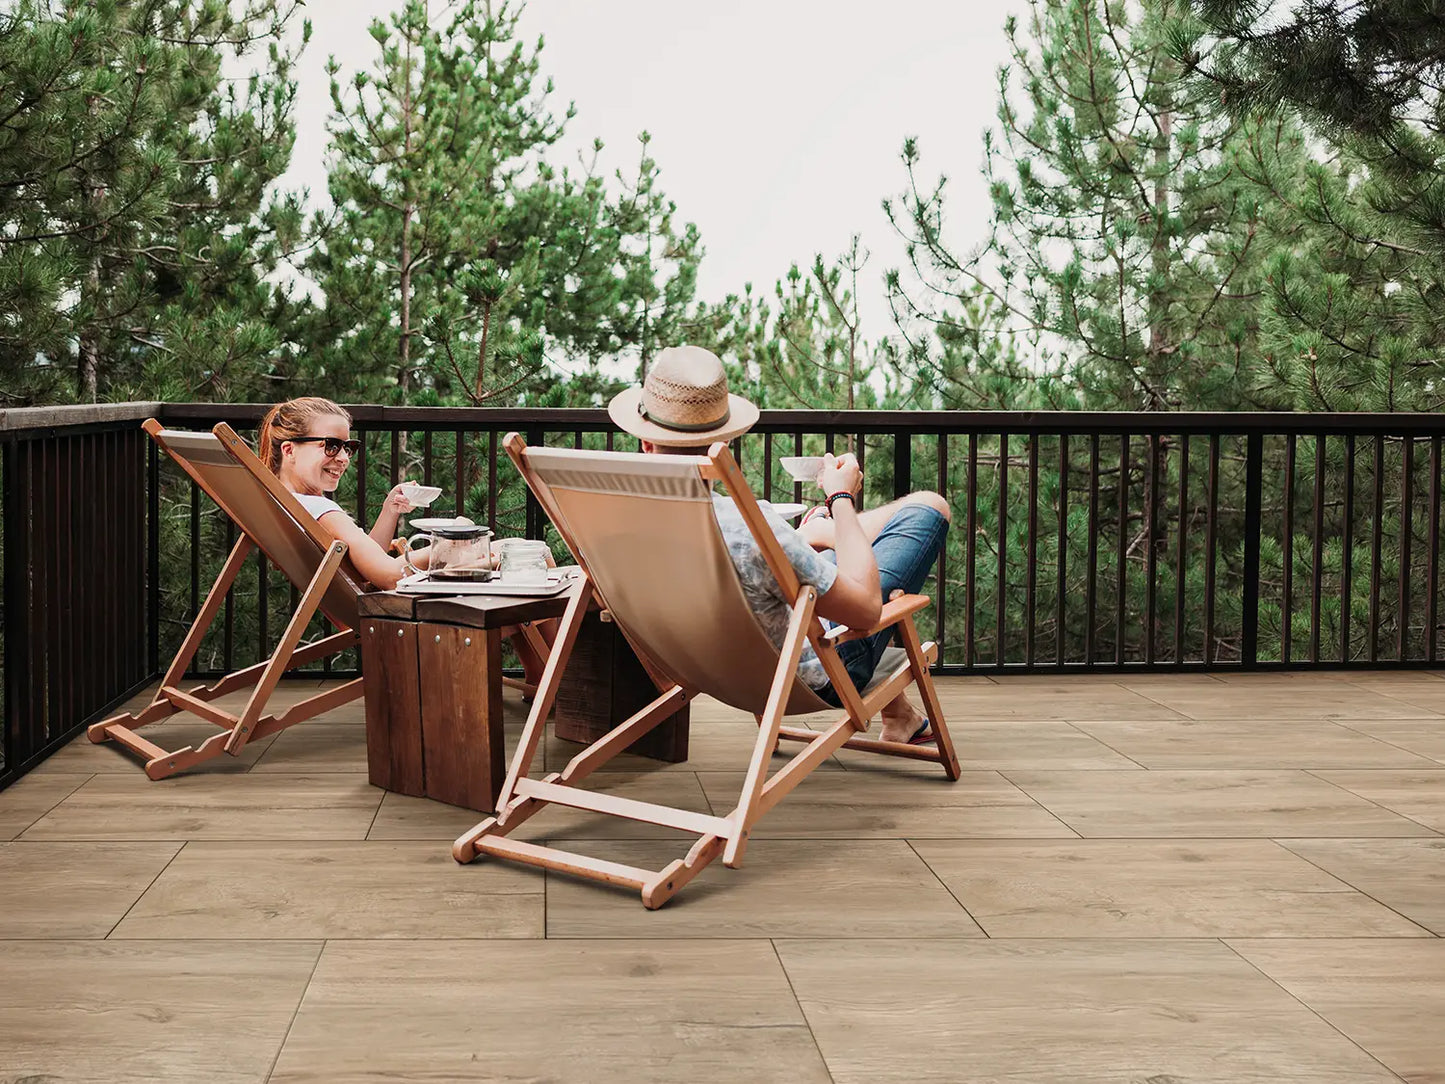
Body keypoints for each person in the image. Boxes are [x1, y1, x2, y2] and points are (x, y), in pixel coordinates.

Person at [607, 346, 949, 745]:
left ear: (647, 444)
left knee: (818, 552)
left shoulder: (616, 522)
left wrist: (806, 539)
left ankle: (901, 714)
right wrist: (840, 498)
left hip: (705, 667)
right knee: (930, 508)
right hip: (813, 672)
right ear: (725, 441)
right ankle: (830, 527)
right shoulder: (752, 526)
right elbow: (867, 609)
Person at [257, 396, 551, 683]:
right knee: (534, 554)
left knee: (512, 553)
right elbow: (387, 577)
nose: (344, 457)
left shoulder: (288, 503)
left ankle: (541, 677)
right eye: (331, 446)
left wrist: (389, 511)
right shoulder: (322, 510)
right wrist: (449, 545)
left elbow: (361, 561)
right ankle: (561, 685)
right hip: (390, 608)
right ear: (289, 450)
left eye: (349, 447)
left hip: (362, 601)